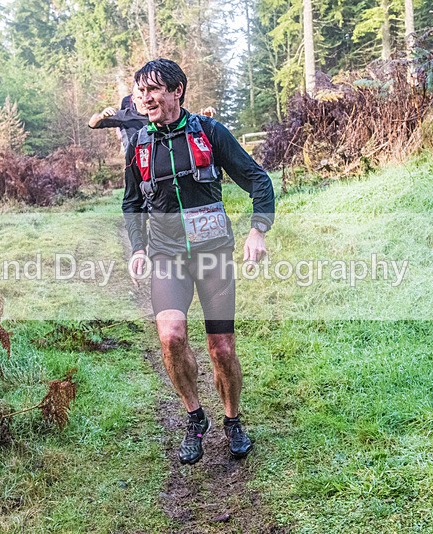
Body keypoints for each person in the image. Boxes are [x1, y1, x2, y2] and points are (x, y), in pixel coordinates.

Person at [122, 59, 275, 464]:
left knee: (221, 348)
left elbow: (257, 179)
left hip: (212, 256)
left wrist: (258, 228)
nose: (146, 97)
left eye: (154, 89)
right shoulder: (138, 143)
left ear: (177, 91)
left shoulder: (209, 133)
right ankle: (195, 417)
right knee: (171, 337)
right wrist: (138, 247)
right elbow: (132, 203)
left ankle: (232, 419)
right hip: (167, 257)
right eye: (141, 90)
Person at [89, 85, 148, 152]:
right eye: (140, 98)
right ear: (133, 99)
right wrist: (100, 116)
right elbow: (92, 124)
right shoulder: (125, 115)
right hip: (134, 160)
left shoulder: (159, 115)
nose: (144, 102)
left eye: (146, 97)